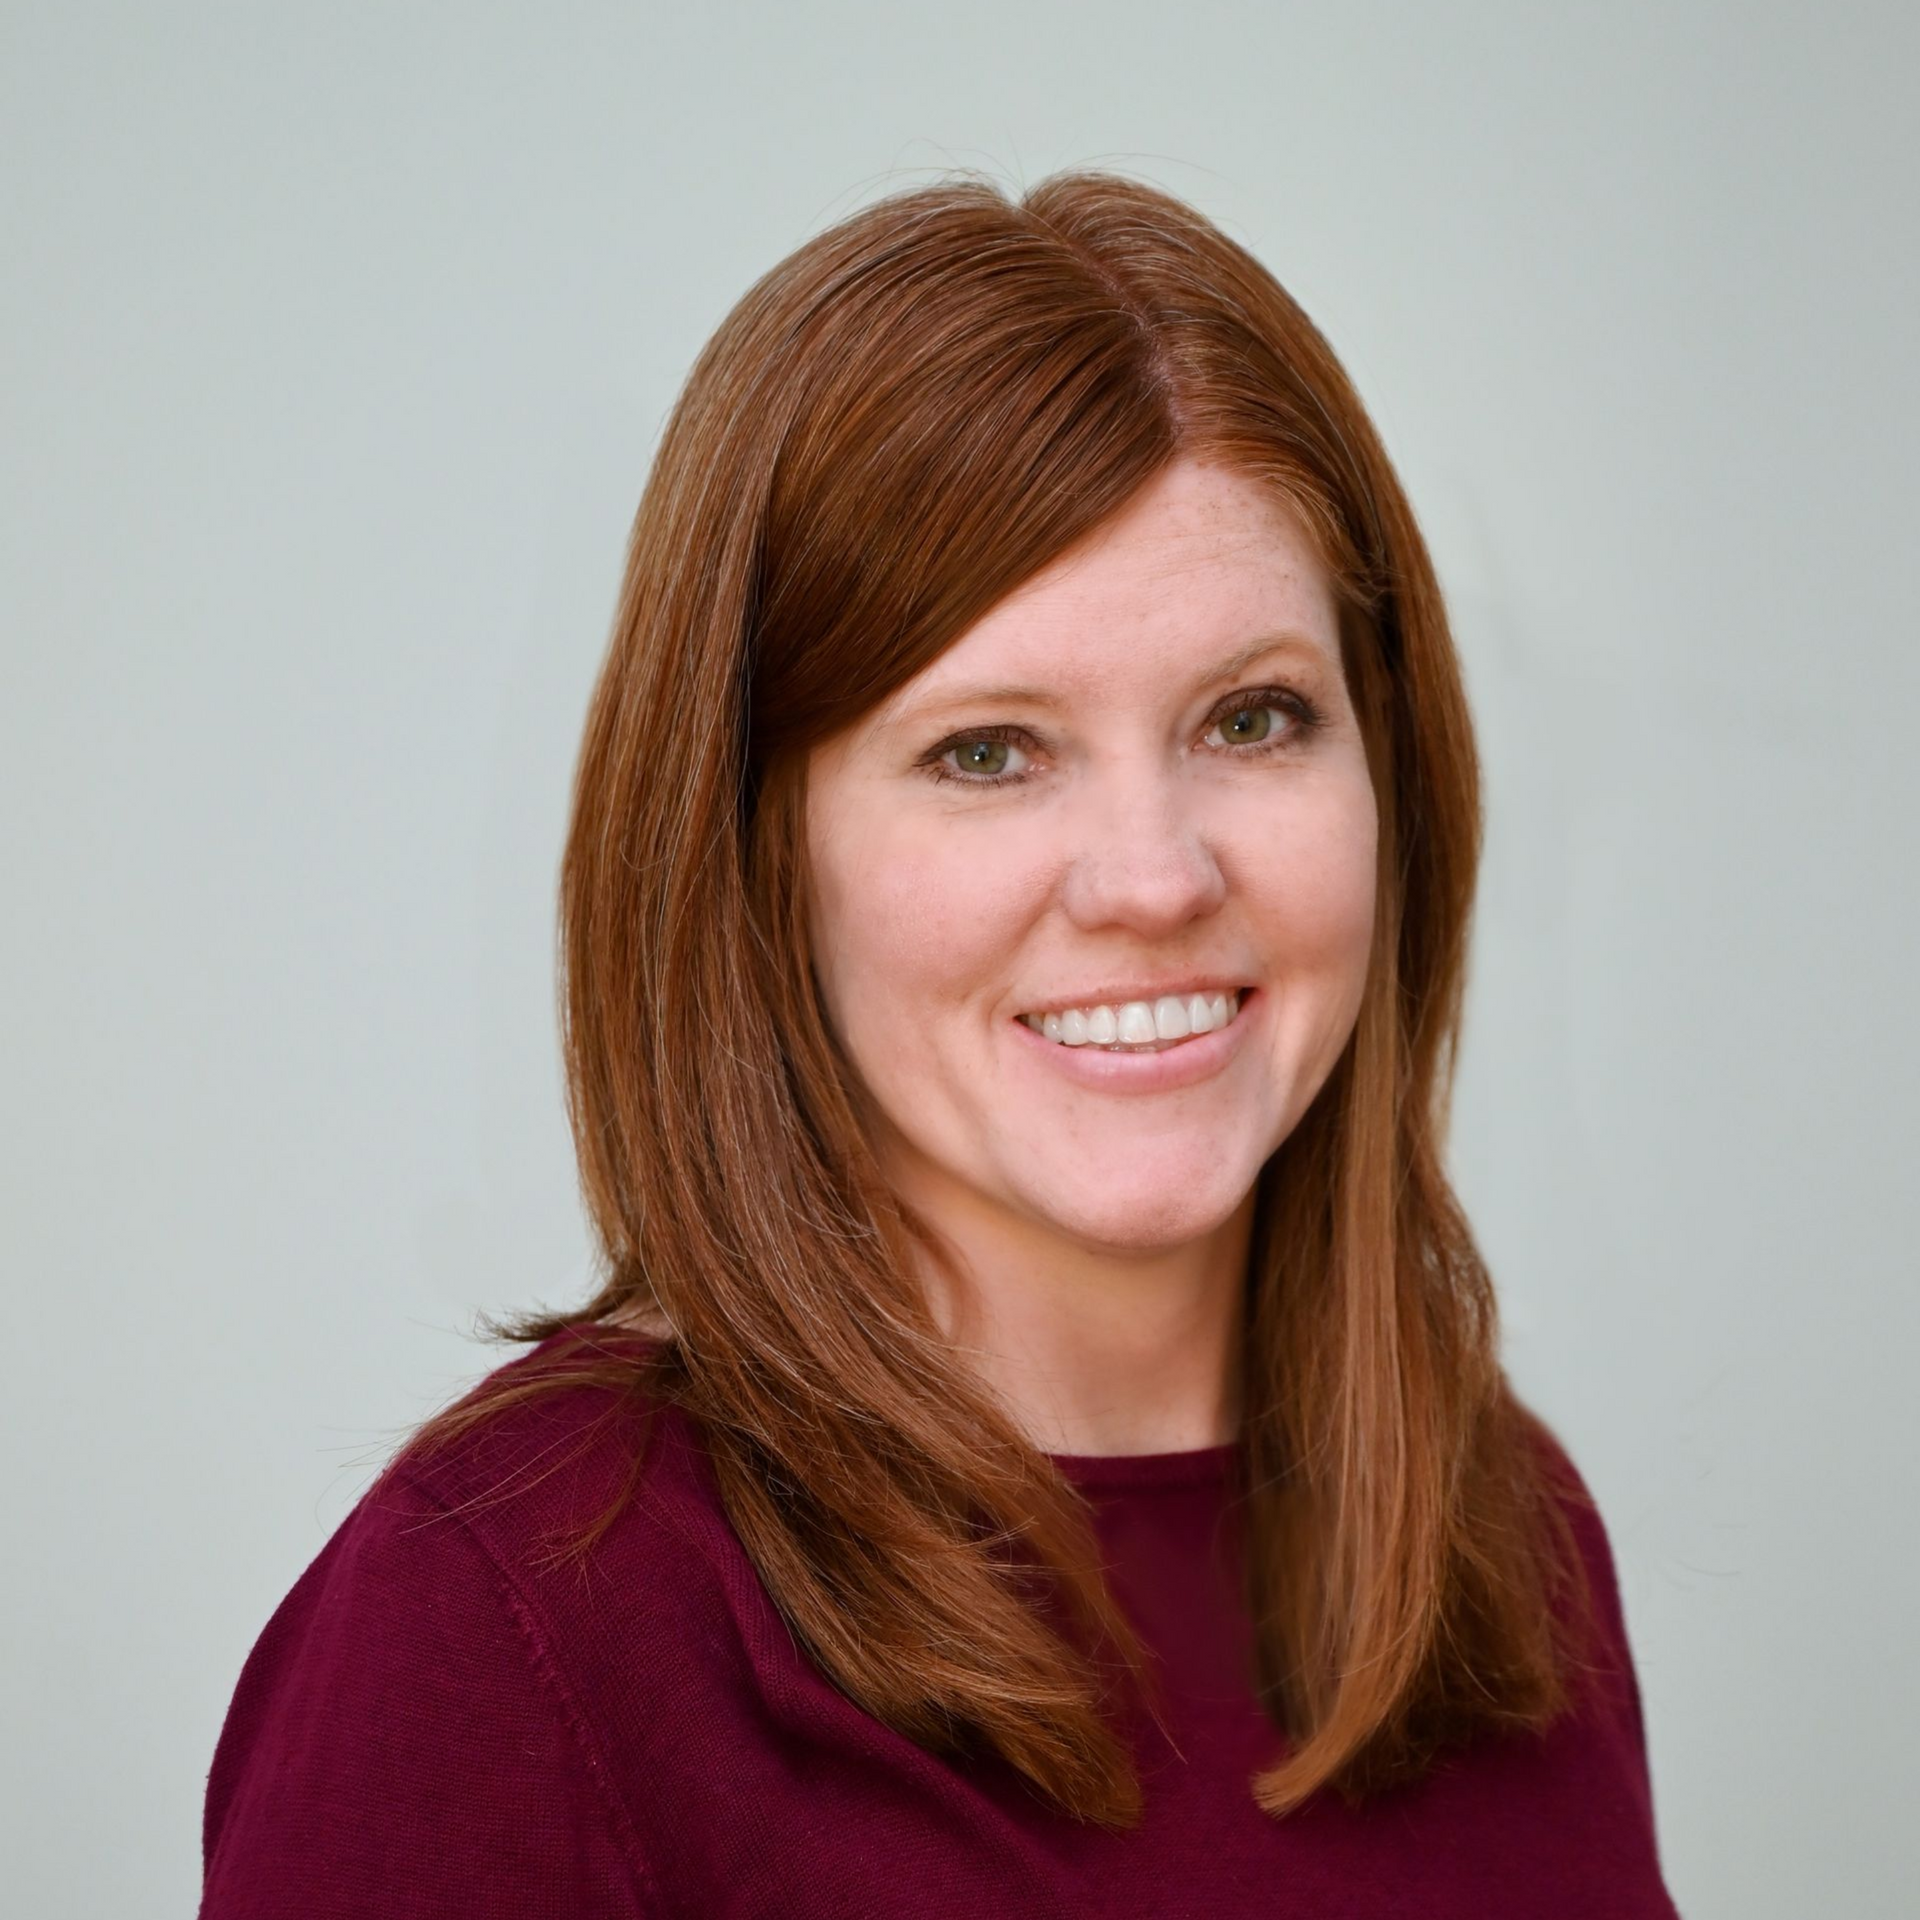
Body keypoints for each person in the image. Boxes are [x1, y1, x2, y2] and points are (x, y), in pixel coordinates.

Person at [198, 169, 1680, 1917]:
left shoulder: (1501, 1537)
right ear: (761, 851)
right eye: (988, 748)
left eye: (1253, 716)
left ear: (1391, 775)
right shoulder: (511, 1623)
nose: (1154, 877)